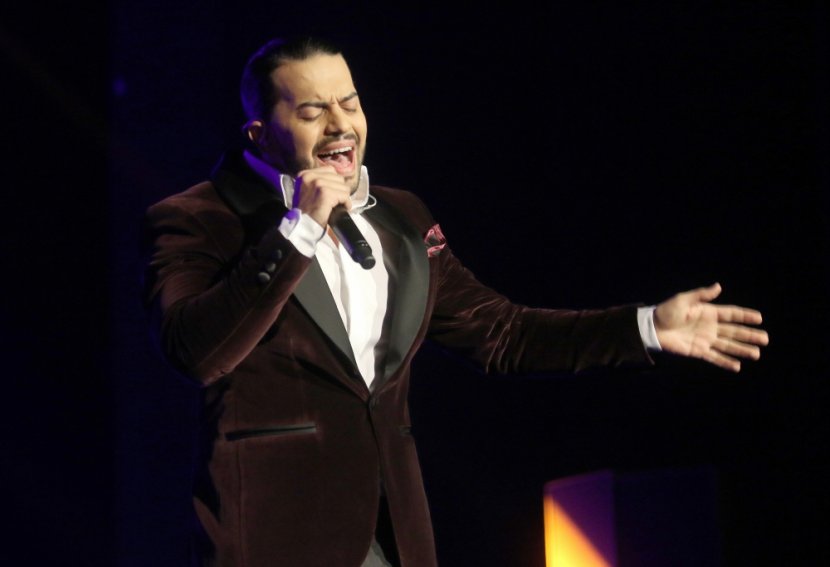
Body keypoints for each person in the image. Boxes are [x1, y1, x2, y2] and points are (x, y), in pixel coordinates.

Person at [143, 36, 769, 567]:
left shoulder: (402, 217)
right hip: (274, 537)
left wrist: (645, 328)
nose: (340, 124)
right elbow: (197, 352)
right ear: (260, 133)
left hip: (394, 534)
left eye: (350, 103)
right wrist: (298, 231)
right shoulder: (198, 219)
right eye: (312, 110)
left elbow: (502, 334)